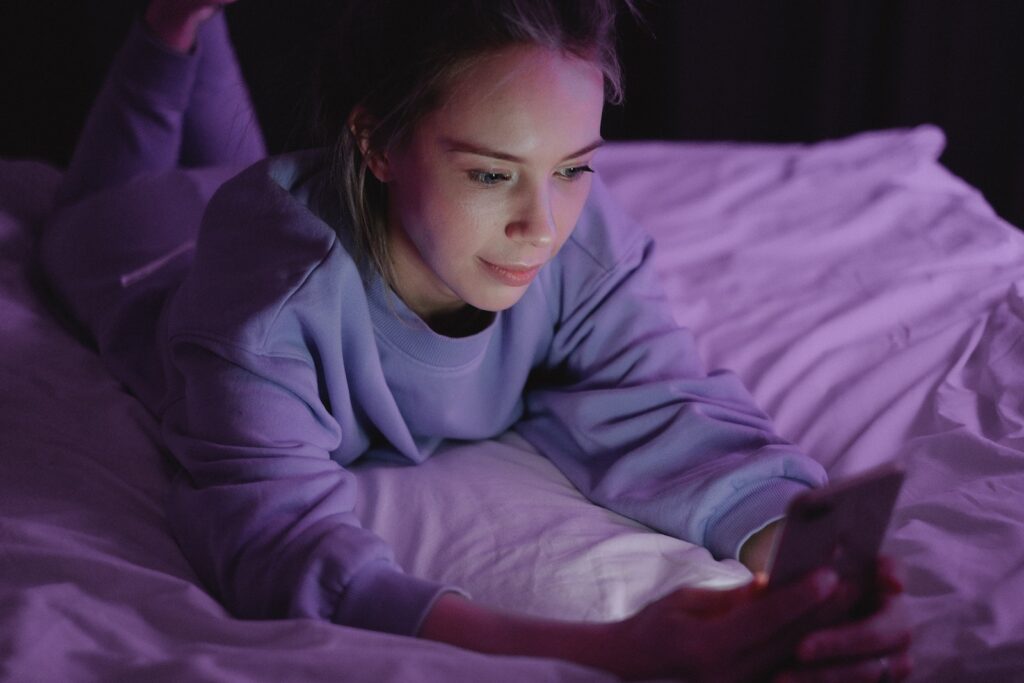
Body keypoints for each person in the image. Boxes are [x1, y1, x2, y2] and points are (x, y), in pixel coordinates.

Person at [40, 0, 911, 680]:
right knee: (131, 166)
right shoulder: (265, 311)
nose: (541, 226)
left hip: (274, 208)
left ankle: (200, 17)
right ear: (376, 140)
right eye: (492, 172)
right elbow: (279, 548)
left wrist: (807, 566)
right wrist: (626, 652)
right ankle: (172, 19)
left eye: (572, 168)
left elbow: (668, 407)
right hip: (137, 250)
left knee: (233, 142)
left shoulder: (580, 240)